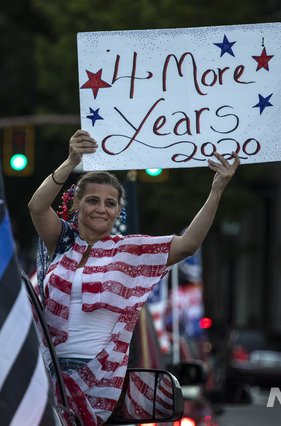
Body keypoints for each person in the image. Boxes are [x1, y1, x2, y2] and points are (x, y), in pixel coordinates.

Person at [28, 129, 239, 425]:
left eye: (110, 203)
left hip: (98, 376)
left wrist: (217, 189)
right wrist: (71, 160)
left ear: (118, 213)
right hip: (45, 371)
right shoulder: (62, 241)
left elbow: (188, 244)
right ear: (76, 204)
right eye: (92, 200)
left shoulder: (130, 250)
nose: (101, 208)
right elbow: (37, 207)